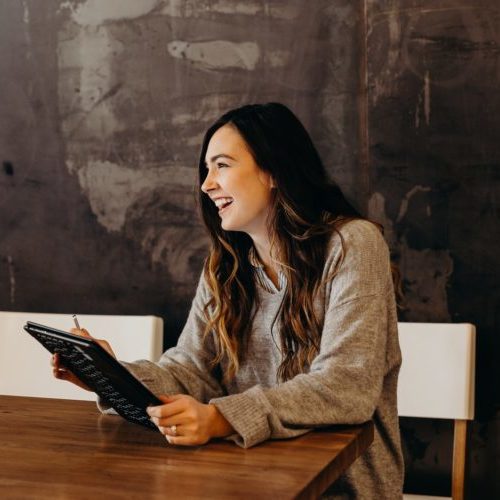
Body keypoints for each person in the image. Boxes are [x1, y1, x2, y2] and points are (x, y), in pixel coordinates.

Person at [52, 103, 404, 499]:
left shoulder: (352, 245)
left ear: (273, 170)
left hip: (338, 488)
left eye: (221, 165)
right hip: (243, 478)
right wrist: (111, 376)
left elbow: (346, 386)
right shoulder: (225, 267)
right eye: (206, 170)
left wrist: (220, 418)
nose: (206, 184)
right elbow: (191, 371)